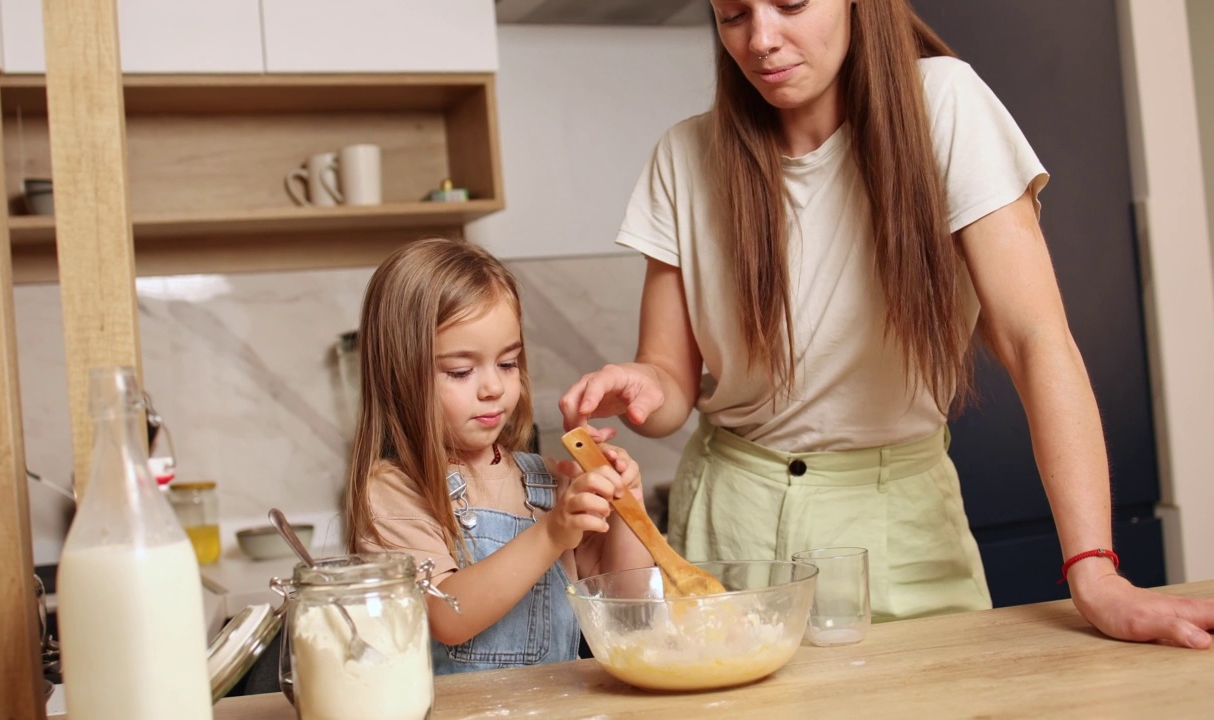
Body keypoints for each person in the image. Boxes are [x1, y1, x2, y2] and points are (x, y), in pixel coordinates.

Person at [559, 0, 1214, 647]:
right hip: (732, 535)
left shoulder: (947, 106)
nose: (760, 39)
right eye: (733, 15)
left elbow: (1036, 340)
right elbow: (672, 381)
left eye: (790, 4)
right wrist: (645, 382)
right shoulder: (684, 155)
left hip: (898, 529)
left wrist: (1093, 573)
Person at [346, 237, 653, 674]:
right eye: (461, 371)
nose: (493, 387)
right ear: (400, 376)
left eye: (507, 363)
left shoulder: (549, 483)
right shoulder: (393, 494)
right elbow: (447, 616)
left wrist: (627, 504)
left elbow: (629, 607)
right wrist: (551, 534)